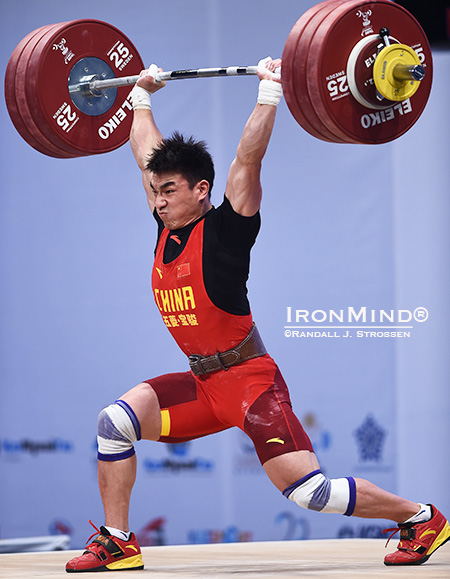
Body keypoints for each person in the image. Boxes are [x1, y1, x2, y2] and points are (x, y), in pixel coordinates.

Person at [65, 58, 449, 573]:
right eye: (155, 192)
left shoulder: (227, 232)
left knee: (312, 493)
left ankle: (421, 517)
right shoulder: (165, 226)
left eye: (169, 191)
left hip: (250, 384)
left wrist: (269, 93)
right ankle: (118, 541)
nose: (157, 202)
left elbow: (249, 159)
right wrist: (141, 96)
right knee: (115, 423)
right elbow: (145, 157)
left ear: (201, 190)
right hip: (204, 387)